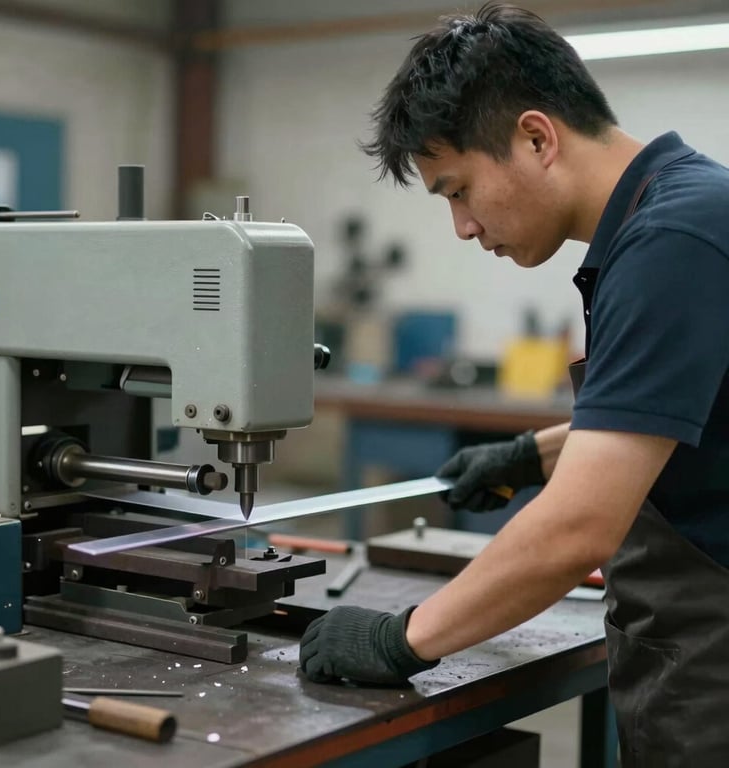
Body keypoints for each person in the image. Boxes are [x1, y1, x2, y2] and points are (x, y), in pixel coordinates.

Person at [298, 3, 729, 765]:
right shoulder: (678, 213)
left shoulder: (671, 243)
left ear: (536, 138)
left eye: (459, 190)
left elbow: (577, 530)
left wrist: (403, 639)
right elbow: (676, 417)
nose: (463, 227)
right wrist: (530, 455)